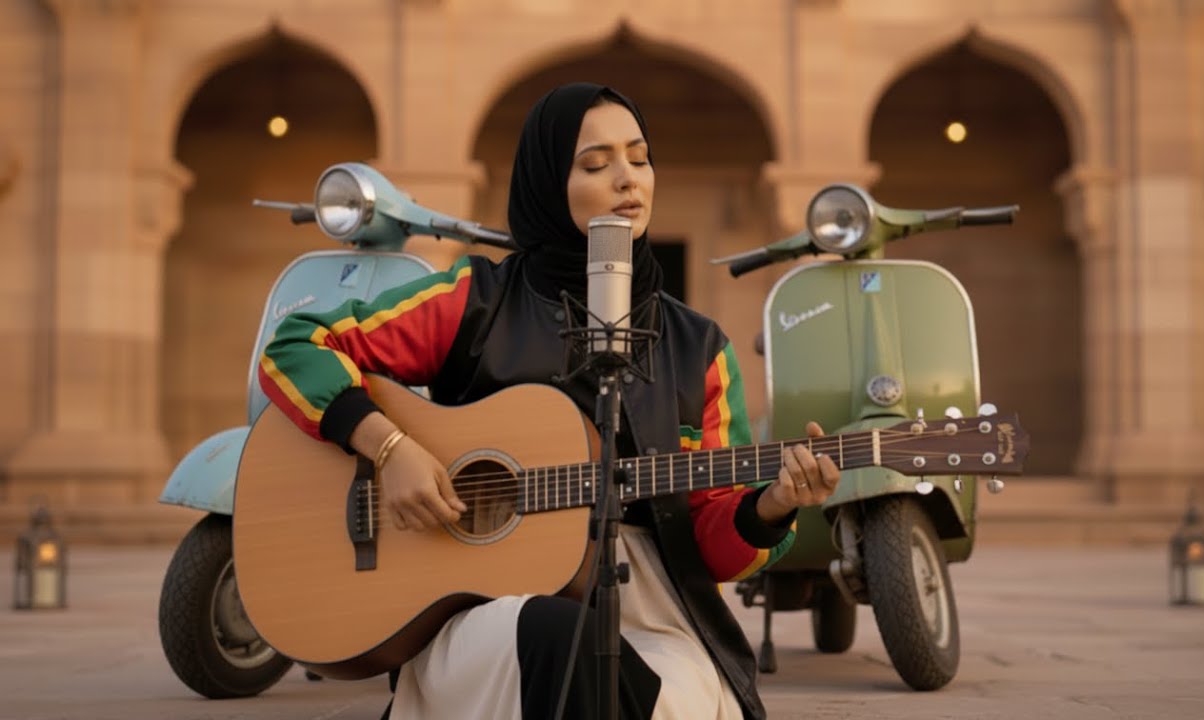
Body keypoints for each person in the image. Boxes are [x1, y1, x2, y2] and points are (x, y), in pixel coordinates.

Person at [258, 82, 840, 720]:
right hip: (482, 610)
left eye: (639, 158)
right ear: (545, 181)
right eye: (595, 164)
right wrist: (389, 448)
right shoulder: (475, 303)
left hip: (650, 609)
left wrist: (775, 504)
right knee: (559, 639)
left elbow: (711, 546)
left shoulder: (699, 347)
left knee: (621, 671)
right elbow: (296, 345)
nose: (627, 179)